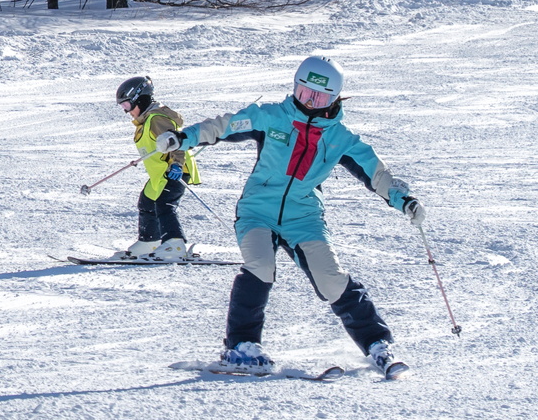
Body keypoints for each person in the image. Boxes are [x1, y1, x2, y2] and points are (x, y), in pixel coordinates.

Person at [165, 57, 422, 376]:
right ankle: (242, 345)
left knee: (332, 279)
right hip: (257, 210)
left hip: (304, 216)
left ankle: (377, 345)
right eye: (304, 93)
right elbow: (225, 125)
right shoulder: (271, 117)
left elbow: (376, 172)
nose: (310, 103)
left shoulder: (341, 138)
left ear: (335, 99)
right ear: (295, 89)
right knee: (260, 265)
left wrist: (403, 199)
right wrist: (184, 137)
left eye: (320, 98)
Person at [112, 75, 200, 261]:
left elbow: (175, 141)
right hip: (160, 175)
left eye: (127, 105)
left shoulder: (157, 119)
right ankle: (149, 242)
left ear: (139, 99)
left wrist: (176, 164)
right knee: (147, 201)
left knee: (164, 204)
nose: (126, 111)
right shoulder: (146, 121)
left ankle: (175, 245)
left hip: (176, 170)